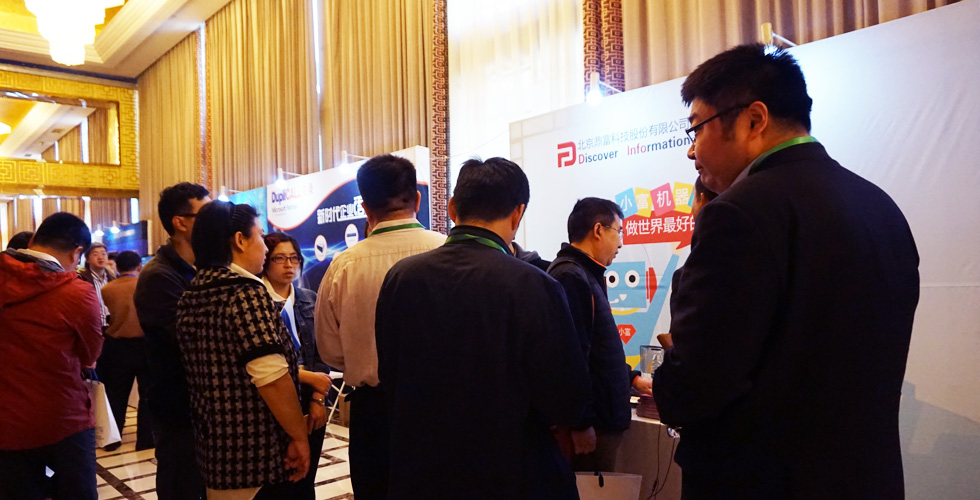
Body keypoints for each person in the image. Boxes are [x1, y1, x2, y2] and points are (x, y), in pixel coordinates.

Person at [653, 44, 919, 499]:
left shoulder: (737, 212)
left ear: (753, 119)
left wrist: (667, 377)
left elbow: (698, 384)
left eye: (696, 128)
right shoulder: (881, 207)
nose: (691, 150)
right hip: (866, 479)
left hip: (761, 481)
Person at [375, 157, 591, 500]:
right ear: (518, 214)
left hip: (421, 470)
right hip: (509, 472)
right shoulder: (534, 285)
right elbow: (565, 396)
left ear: (452, 208)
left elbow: (390, 375)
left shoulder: (402, 277)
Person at [315, 153, 445, 500]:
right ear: (417, 199)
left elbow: (330, 351)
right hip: (441, 408)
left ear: (364, 207)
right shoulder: (448, 250)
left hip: (373, 413)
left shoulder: (344, 266)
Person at [177, 201, 309, 498]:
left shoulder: (193, 292)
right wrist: (299, 436)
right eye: (260, 236)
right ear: (239, 240)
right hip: (257, 457)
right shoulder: (245, 293)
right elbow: (271, 378)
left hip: (217, 452)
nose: (265, 247)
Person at [0, 213, 103, 500]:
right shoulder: (77, 292)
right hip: (63, 416)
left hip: (6, 421)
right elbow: (90, 356)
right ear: (77, 253)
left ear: (33, 240)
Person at [548, 197, 653, 472]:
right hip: (593, 425)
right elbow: (570, 359)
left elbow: (597, 349)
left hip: (602, 419)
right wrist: (581, 423)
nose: (621, 244)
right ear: (598, 230)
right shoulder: (571, 276)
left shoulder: (586, 273)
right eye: (619, 232)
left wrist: (631, 378)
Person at [134, 182, 210, 500]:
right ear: (181, 222)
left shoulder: (199, 267)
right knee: (182, 486)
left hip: (203, 407)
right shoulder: (159, 277)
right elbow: (194, 342)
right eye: (206, 214)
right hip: (179, 409)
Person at [262, 232, 332, 500]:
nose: (289, 265)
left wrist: (318, 399)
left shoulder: (309, 298)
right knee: (279, 483)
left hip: (310, 398)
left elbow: (323, 351)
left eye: (293, 258)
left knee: (306, 481)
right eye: (279, 258)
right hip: (274, 401)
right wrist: (308, 378)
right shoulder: (256, 302)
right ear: (266, 261)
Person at [98, 250, 154, 451]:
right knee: (147, 394)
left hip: (117, 345)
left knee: (116, 394)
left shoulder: (107, 289)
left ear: (117, 267)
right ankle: (146, 440)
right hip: (145, 344)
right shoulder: (146, 286)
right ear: (139, 266)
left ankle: (113, 439)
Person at [78, 241, 114, 328]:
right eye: (95, 254)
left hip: (112, 328)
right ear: (87, 259)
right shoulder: (82, 279)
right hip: (92, 327)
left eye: (103, 254)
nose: (100, 257)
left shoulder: (113, 279)